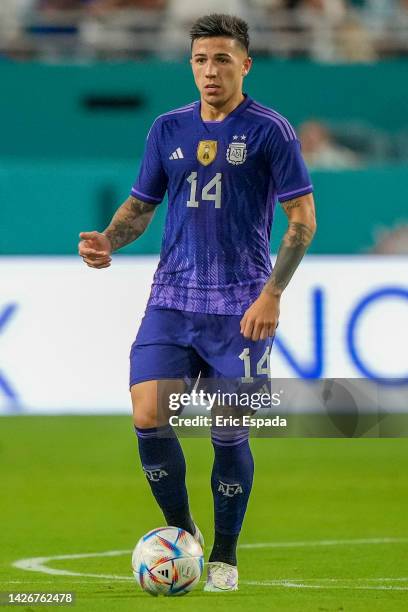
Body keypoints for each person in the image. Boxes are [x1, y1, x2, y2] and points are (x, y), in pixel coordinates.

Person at [78, 13, 316, 592]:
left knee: (229, 430)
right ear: (191, 65)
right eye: (201, 60)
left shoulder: (271, 131)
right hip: (172, 300)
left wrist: (272, 294)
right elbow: (140, 206)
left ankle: (226, 558)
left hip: (242, 308)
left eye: (222, 60)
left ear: (245, 65)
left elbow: (302, 222)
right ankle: (183, 534)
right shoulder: (166, 129)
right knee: (147, 414)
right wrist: (110, 237)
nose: (210, 71)